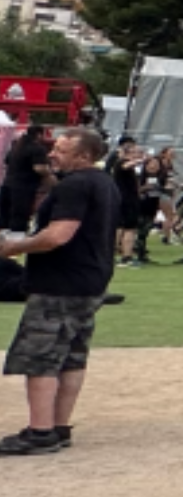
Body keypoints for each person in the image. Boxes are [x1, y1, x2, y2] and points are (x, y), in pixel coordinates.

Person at [0, 129, 119, 456]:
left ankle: (39, 431)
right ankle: (59, 426)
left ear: (83, 156)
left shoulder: (74, 185)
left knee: (41, 358)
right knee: (72, 357)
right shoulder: (104, 182)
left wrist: (12, 248)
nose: (52, 154)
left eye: (62, 150)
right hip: (90, 282)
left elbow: (57, 236)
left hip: (60, 284)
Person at [0, 122, 52, 232]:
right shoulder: (37, 148)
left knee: (5, 217)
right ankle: (16, 243)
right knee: (20, 217)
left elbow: (7, 161)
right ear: (39, 134)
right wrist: (50, 175)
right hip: (24, 187)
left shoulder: (16, 146)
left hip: (7, 184)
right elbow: (39, 168)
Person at [111, 138, 148, 267]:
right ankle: (127, 256)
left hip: (124, 199)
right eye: (135, 152)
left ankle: (115, 254)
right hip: (127, 200)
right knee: (129, 228)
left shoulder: (119, 164)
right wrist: (142, 160)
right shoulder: (122, 163)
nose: (137, 154)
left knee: (121, 227)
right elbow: (126, 165)